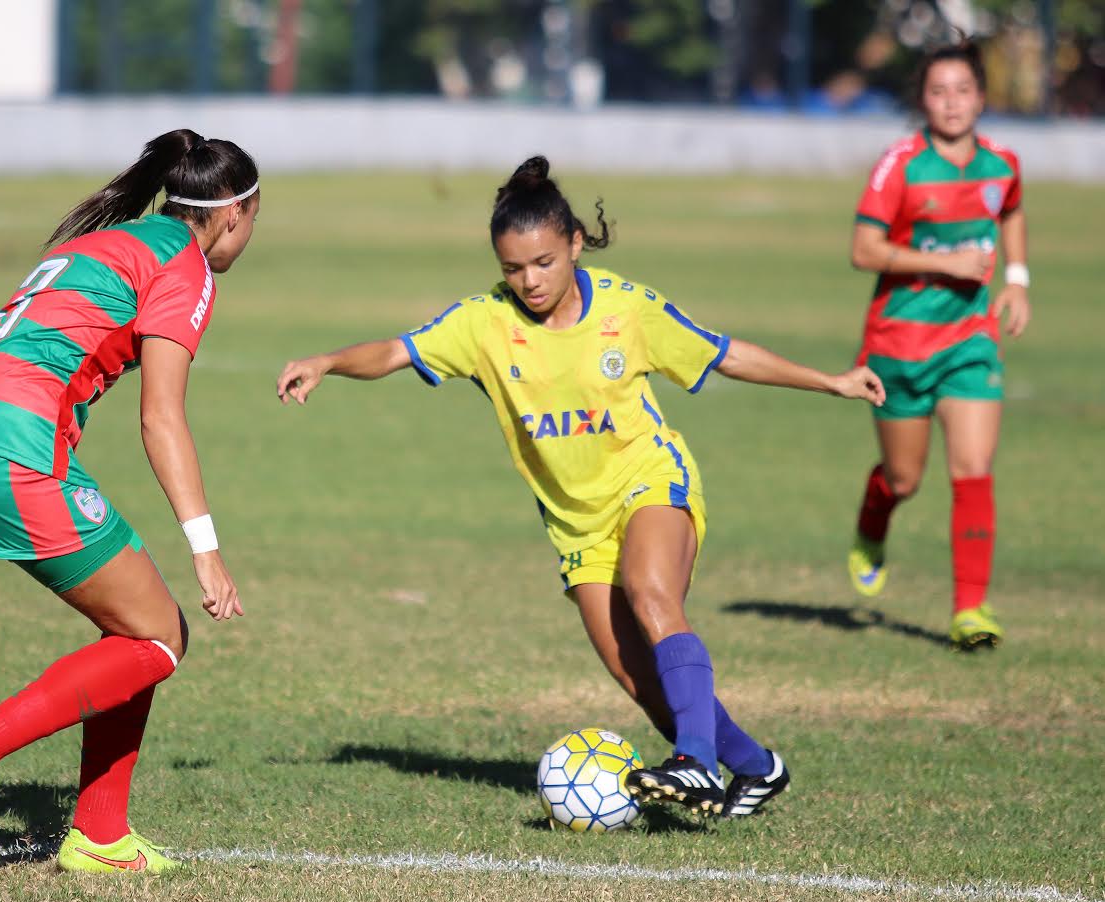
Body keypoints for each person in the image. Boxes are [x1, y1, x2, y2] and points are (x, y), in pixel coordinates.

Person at [276, 157, 884, 817]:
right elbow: (396, 351)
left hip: (650, 479)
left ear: (573, 243)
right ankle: (755, 766)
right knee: (638, 675)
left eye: (543, 262)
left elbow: (724, 352)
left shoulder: (627, 308)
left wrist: (830, 381)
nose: (529, 280)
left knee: (654, 594)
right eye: (513, 268)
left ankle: (696, 763)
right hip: (575, 524)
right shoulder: (482, 323)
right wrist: (330, 362)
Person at [0, 129, 258, 873]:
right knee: (158, 638)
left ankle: (101, 834)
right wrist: (207, 548)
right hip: (16, 451)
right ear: (235, 212)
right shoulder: (186, 263)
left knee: (141, 630)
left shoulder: (113, 240)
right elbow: (161, 415)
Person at [845, 39, 1030, 649]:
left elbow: (1010, 212)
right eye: (938, 91)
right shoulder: (899, 164)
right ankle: (874, 522)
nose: (951, 103)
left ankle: (971, 611)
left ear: (981, 96)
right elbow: (863, 250)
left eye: (963, 90)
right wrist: (950, 261)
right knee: (904, 480)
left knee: (973, 470)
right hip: (898, 342)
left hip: (970, 340)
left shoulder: (1003, 162)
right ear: (922, 100)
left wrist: (1017, 279)